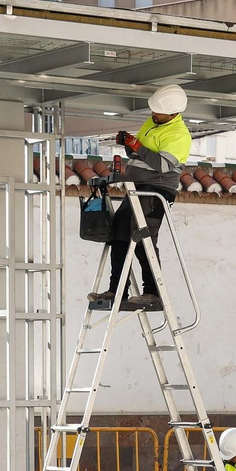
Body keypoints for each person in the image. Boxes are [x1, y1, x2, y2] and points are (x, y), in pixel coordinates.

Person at [88, 84, 191, 313]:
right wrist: (129, 145)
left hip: (156, 191)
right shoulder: (153, 123)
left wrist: (138, 146)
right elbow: (139, 155)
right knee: (119, 236)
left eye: (158, 112)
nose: (154, 114)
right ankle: (117, 291)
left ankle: (153, 293)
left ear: (173, 113)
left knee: (144, 239)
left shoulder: (179, 135)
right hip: (136, 189)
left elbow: (163, 165)